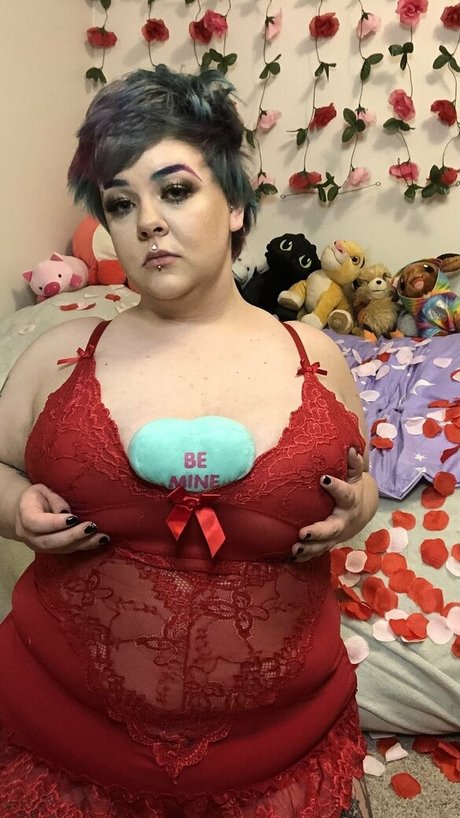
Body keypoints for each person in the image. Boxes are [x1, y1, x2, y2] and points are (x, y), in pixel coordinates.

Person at [0, 65, 378, 818]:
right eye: (121, 203)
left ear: (235, 205)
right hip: (62, 735)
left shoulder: (317, 357)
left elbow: (357, 479)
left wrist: (359, 505)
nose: (147, 221)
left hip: (282, 749)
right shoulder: (58, 353)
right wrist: (15, 509)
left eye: (175, 190)